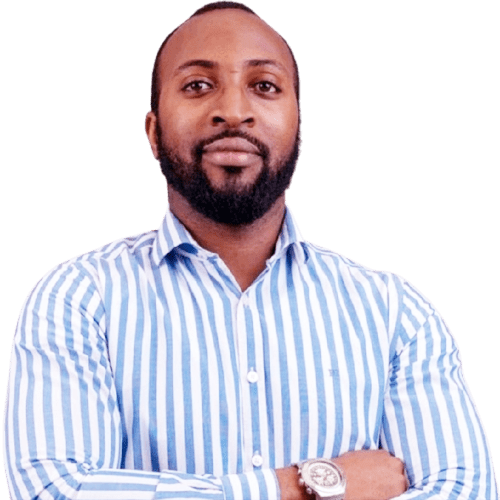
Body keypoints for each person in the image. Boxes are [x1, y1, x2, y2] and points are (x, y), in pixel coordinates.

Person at [3, 2, 497, 499]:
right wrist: (306, 485)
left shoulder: (394, 313)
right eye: (198, 85)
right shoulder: (78, 299)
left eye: (264, 86)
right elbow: (56, 488)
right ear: (152, 132)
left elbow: (465, 490)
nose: (234, 111)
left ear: (299, 127)